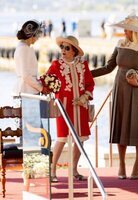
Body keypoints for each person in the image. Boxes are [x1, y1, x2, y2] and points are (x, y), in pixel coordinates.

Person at [91, 13, 138, 179]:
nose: (124, 32)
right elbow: (108, 67)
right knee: (121, 124)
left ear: (135, 31)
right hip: (120, 88)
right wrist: (85, 74)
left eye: (127, 29)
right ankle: (121, 165)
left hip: (137, 90)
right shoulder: (120, 44)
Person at [46, 35, 95, 182]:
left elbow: (90, 84)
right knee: (61, 138)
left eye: (67, 48)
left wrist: (84, 98)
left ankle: (74, 169)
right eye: (62, 47)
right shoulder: (56, 65)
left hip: (80, 107)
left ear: (74, 51)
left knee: (80, 140)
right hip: (64, 106)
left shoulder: (83, 65)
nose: (63, 50)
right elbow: (47, 81)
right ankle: (52, 169)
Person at [13, 19, 49, 96]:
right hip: (26, 91)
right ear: (32, 35)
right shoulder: (24, 48)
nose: (38, 38)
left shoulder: (22, 47)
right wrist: (41, 88)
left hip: (25, 91)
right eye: (38, 35)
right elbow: (26, 75)